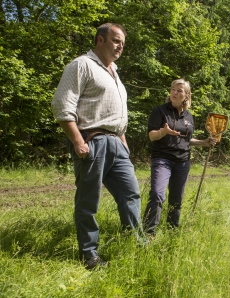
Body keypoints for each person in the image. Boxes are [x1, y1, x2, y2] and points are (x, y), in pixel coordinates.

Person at [51, 23, 141, 270]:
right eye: (115, 40)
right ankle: (90, 254)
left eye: (122, 42)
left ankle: (135, 242)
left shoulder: (115, 73)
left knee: (131, 194)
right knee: (89, 202)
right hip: (93, 141)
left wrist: (124, 144)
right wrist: (78, 142)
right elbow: (62, 105)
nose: (120, 46)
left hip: (117, 144)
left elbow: (117, 114)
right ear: (100, 40)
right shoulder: (82, 65)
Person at [143, 79, 216, 236]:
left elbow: (186, 139)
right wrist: (163, 132)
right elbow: (152, 136)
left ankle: (172, 231)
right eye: (173, 89)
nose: (175, 93)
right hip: (162, 159)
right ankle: (148, 234)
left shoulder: (189, 117)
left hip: (182, 162)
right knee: (157, 194)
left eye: (179, 90)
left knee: (176, 200)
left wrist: (204, 142)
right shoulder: (160, 111)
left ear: (187, 96)